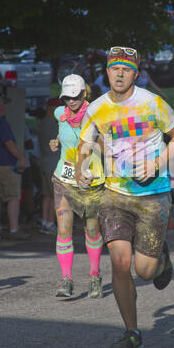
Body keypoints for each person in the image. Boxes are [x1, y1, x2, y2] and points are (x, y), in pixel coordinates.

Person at [75, 46, 174, 348]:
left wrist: (157, 163)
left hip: (153, 196)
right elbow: (86, 144)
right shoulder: (97, 107)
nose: (120, 73)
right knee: (120, 264)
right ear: (107, 72)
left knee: (145, 272)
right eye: (115, 69)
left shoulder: (152, 103)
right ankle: (132, 331)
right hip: (114, 196)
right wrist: (81, 170)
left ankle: (161, 259)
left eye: (126, 69)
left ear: (135, 74)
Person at [49, 74, 105, 299]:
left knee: (92, 230)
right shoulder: (58, 114)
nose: (70, 102)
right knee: (64, 229)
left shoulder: (98, 115)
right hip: (64, 177)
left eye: (74, 97)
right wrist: (57, 141)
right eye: (66, 98)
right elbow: (64, 135)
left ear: (84, 94)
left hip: (91, 181)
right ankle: (66, 279)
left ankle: (94, 275)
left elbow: (105, 145)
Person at [0, 92, 30, 240]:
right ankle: (14, 230)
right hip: (2, 164)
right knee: (13, 196)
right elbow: (9, 143)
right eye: (4, 104)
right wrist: (21, 158)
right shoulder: (0, 122)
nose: (5, 106)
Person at [37, 98, 63, 234]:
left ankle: (45, 222)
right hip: (53, 165)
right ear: (51, 109)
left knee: (46, 196)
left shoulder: (42, 124)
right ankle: (51, 223)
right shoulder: (53, 126)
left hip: (44, 163)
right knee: (54, 196)